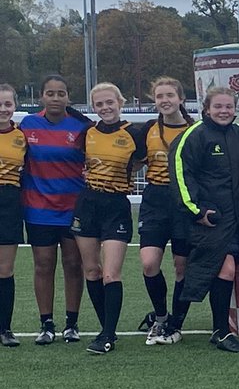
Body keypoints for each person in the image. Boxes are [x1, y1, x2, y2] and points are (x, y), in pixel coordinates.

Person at [170, 85, 239, 352]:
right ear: (206, 109)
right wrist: (196, 211)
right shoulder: (193, 135)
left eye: (228, 106)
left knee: (221, 272)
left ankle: (184, 324)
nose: (224, 111)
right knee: (224, 268)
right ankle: (221, 331)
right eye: (218, 106)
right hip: (209, 220)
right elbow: (181, 176)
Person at [70, 83, 145, 354]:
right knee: (92, 270)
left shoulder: (134, 133)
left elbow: (143, 161)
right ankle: (105, 329)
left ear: (120, 102)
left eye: (109, 102)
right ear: (93, 107)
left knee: (111, 273)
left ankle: (108, 336)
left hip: (116, 206)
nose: (105, 108)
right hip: (88, 204)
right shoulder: (87, 132)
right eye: (99, 104)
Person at [21, 74, 89, 345]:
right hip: (38, 208)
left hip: (73, 208)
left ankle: (72, 324)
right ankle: (46, 324)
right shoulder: (28, 125)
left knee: (74, 265)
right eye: (50, 93)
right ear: (42, 97)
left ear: (68, 97)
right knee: (44, 265)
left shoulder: (82, 127)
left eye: (61, 93)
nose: (56, 98)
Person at [137, 77, 194, 345]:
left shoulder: (196, 129)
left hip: (184, 203)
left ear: (181, 98)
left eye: (170, 95)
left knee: (181, 267)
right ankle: (160, 317)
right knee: (149, 263)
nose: (165, 100)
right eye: (159, 96)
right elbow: (133, 161)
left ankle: (175, 324)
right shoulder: (147, 129)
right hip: (155, 201)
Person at [0, 83, 27, 346]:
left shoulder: (22, 136)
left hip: (9, 203)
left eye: (7, 104)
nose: (3, 109)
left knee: (5, 270)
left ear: (14, 105)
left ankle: (5, 328)